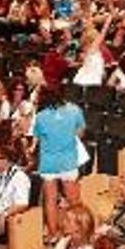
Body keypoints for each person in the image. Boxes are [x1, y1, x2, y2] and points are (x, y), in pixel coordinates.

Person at [32, 85, 85, 236]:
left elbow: (40, 137)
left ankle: (53, 234)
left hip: (49, 162)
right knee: (74, 201)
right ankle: (80, 231)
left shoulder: (41, 116)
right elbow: (80, 132)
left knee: (50, 200)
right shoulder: (75, 110)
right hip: (68, 160)